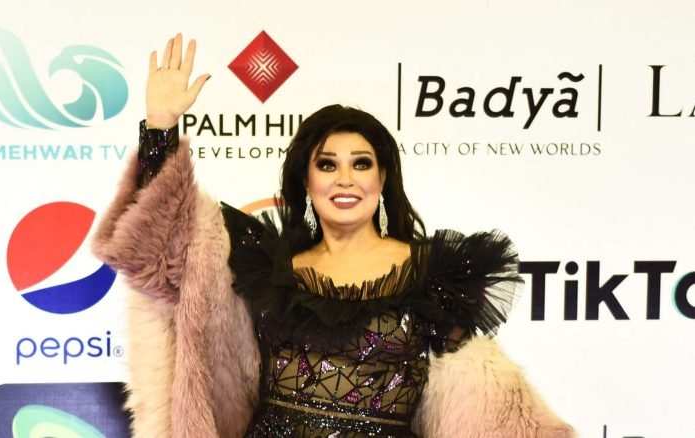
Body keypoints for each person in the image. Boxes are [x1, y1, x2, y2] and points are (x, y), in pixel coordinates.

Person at [93, 33, 575, 437]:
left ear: (382, 179)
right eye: (327, 165)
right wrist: (160, 126)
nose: (345, 179)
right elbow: (166, 246)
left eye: (361, 164)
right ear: (307, 181)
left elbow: (484, 403)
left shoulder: (432, 277)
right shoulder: (264, 271)